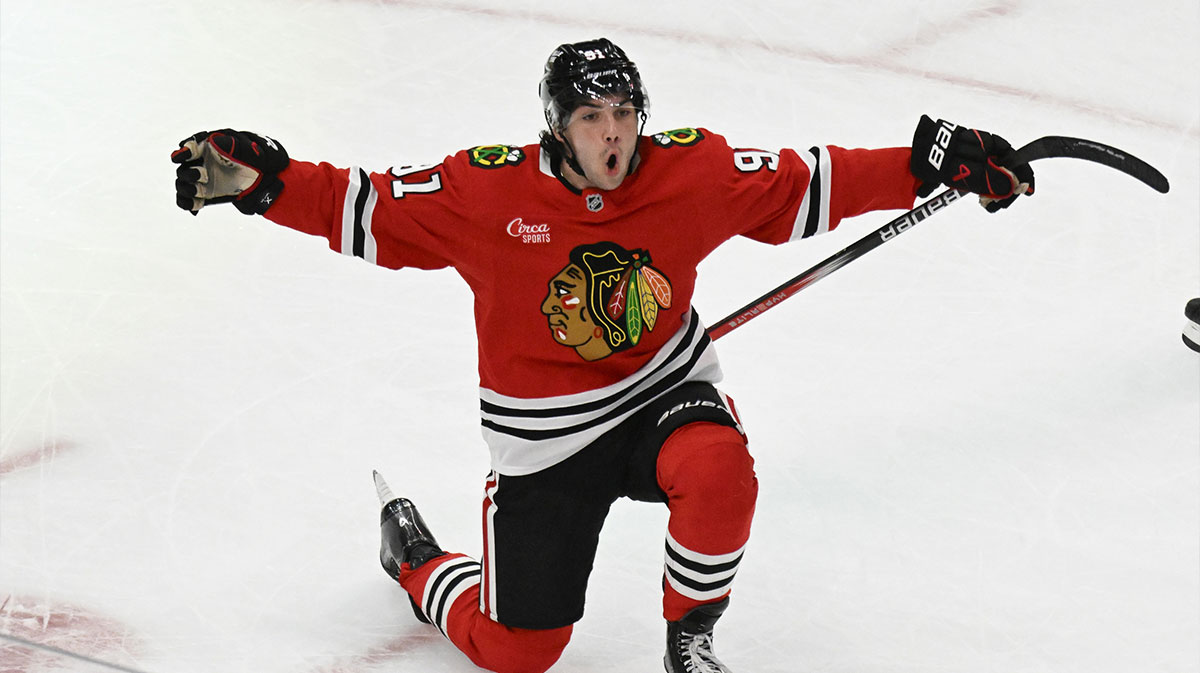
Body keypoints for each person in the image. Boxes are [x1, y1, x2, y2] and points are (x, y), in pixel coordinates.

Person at [171, 38, 1033, 673]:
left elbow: (813, 182)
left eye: (624, 115)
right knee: (518, 652)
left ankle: (690, 640)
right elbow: (366, 205)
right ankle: (419, 563)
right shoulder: (487, 191)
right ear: (557, 128)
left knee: (720, 466)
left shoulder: (688, 171)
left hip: (662, 395)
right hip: (544, 443)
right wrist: (266, 183)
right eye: (592, 117)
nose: (613, 135)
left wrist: (931, 165)